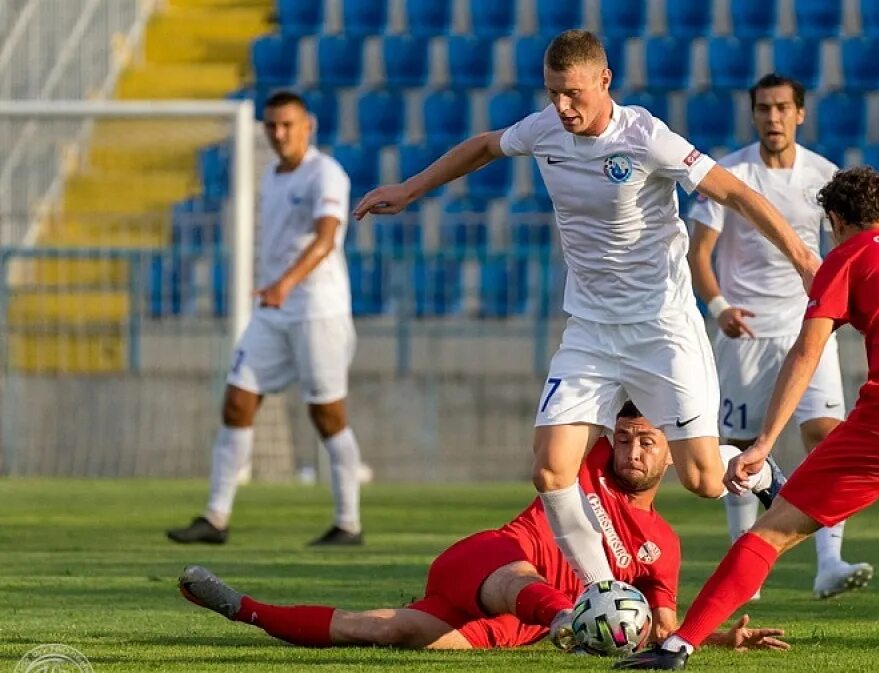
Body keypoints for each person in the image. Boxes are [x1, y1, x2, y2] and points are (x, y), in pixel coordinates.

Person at [353, 31, 819, 591]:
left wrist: (802, 258)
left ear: (605, 81)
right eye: (553, 94)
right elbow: (483, 145)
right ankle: (607, 596)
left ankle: (761, 471)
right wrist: (410, 188)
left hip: (660, 327)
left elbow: (736, 193)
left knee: (701, 479)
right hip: (591, 330)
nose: (562, 107)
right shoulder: (545, 128)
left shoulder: (648, 137)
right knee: (551, 469)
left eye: (573, 93)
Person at [617, 167, 879, 670]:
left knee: (772, 531)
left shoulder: (848, 256)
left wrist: (764, 442)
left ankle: (676, 648)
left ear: (835, 221)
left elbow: (808, 352)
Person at [178, 403, 788, 654]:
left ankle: (245, 609)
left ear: (668, 454)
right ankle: (564, 618)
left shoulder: (666, 546)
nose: (631, 449)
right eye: (624, 437)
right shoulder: (591, 461)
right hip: (493, 563)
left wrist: (712, 641)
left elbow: (659, 626)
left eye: (648, 441)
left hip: (518, 626)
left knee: (390, 633)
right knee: (522, 578)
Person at [687, 73, 872, 600]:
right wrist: (718, 305)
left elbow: (843, 248)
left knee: (827, 434)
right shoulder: (732, 174)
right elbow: (699, 254)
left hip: (807, 324)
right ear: (754, 114)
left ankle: (829, 561)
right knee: (741, 449)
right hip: (744, 331)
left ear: (800, 114)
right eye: (764, 108)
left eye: (783, 108)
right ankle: (745, 569)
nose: (773, 117)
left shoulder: (823, 175)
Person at [167, 90, 365, 547]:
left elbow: (327, 237)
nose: (279, 134)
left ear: (308, 126)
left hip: (319, 310)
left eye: (287, 125)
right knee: (237, 400)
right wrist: (276, 290)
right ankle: (215, 518)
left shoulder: (326, 173)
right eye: (271, 126)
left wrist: (285, 283)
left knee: (327, 414)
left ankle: (348, 523)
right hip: (274, 310)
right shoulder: (272, 175)